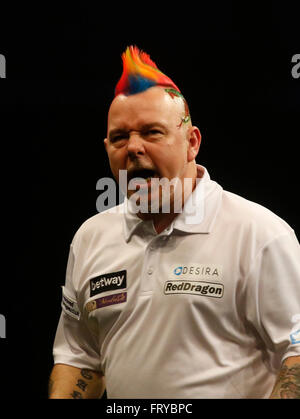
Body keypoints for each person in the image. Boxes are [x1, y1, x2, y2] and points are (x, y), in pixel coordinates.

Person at [49, 45, 300, 399]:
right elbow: (80, 357)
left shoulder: (259, 234)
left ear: (191, 142)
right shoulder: (91, 238)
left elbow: (296, 352)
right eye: (120, 137)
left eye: (152, 132)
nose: (133, 147)